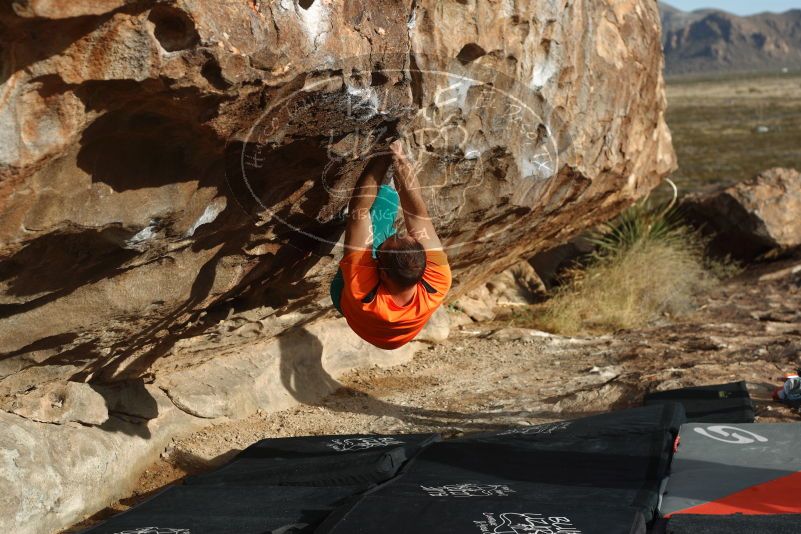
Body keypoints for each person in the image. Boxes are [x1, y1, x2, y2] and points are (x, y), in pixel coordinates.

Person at [329, 140, 451, 350]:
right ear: (424, 265)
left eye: (390, 242)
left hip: (349, 306)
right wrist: (400, 162)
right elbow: (418, 216)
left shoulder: (362, 292)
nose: (402, 232)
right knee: (383, 222)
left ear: (381, 273)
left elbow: (359, 211)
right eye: (404, 237)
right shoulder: (438, 279)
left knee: (380, 209)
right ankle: (375, 239)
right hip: (394, 333)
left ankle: (369, 230)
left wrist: (382, 156)